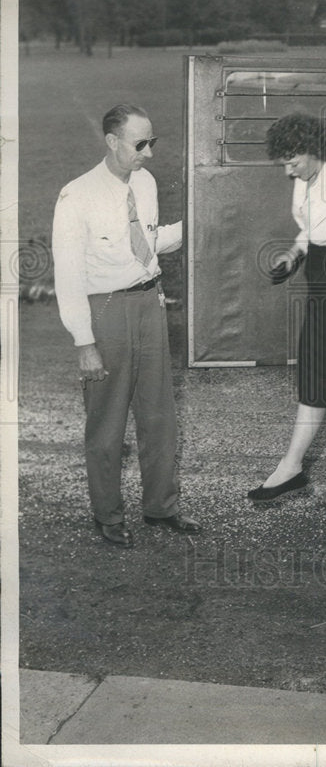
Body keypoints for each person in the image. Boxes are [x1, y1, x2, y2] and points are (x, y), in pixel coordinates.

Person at [52, 104, 201, 547]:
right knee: (108, 421)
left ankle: (161, 507)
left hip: (149, 305)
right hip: (105, 312)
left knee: (159, 416)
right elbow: (68, 275)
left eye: (151, 142)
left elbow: (148, 243)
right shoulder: (76, 195)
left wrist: (197, 224)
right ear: (112, 142)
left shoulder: (146, 182)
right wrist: (85, 342)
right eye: (140, 145)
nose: (149, 153)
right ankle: (108, 515)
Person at [248, 113, 326, 502]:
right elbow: (311, 232)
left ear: (315, 151)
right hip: (324, 277)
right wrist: (293, 255)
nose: (287, 171)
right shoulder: (308, 177)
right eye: (284, 163)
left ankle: (291, 467)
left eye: (293, 161)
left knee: (319, 371)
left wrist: (309, 257)